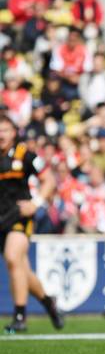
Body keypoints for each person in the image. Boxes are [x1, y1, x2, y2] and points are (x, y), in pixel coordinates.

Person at [0, 115, 64, 333]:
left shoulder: (24, 154)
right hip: (1, 219)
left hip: (19, 216)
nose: (1, 134)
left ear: (14, 133)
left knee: (12, 257)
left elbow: (50, 180)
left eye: (6, 130)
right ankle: (48, 302)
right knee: (21, 270)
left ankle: (19, 317)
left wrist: (35, 204)